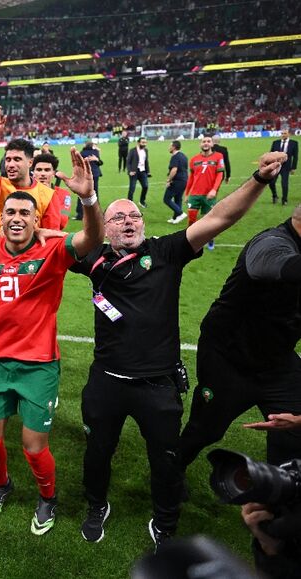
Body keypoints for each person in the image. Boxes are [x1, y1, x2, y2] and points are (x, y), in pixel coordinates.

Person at [71, 152, 286, 550]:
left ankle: (165, 522)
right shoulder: (94, 259)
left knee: (166, 461)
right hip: (107, 382)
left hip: (158, 385)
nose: (129, 222)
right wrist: (88, 202)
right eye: (118, 218)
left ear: (144, 222)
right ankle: (96, 505)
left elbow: (219, 218)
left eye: (134, 216)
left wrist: (257, 179)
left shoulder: (167, 251)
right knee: (97, 453)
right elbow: (51, 241)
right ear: (106, 228)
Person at [0, 148, 102, 536]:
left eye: (25, 213)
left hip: (38, 364)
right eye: (10, 212)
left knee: (33, 444)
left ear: (36, 219)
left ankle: (47, 498)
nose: (17, 219)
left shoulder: (53, 251)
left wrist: (88, 199)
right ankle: (2, 486)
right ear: (1, 218)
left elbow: (93, 237)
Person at [179, 185, 299, 470]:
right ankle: (171, 474)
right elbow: (268, 266)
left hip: (278, 361)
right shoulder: (271, 242)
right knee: (206, 429)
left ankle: (280, 492)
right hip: (228, 358)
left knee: (293, 428)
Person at [0, 106, 61, 232]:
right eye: (8, 160)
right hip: (1, 251)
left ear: (30, 162)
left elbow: (51, 237)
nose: (10, 164)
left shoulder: (48, 196)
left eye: (17, 159)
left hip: (32, 252)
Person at [184, 134, 226, 250]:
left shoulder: (218, 157)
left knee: (209, 220)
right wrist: (187, 193)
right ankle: (191, 240)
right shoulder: (194, 159)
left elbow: (220, 175)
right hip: (194, 195)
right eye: (203, 141)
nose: (206, 143)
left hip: (209, 195)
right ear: (200, 144)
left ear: (212, 144)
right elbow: (191, 177)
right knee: (191, 219)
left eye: (208, 141)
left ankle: (210, 239)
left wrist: (214, 190)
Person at [32, 153, 73, 230]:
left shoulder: (64, 195)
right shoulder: (26, 192)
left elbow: (63, 222)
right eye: (39, 170)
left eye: (47, 170)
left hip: (53, 239)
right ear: (33, 173)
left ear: (54, 173)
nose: (43, 174)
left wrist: (49, 194)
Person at [269, 130, 299, 205]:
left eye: (285, 133)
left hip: (286, 167)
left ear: (288, 134)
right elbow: (271, 154)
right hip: (276, 166)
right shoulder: (275, 142)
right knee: (271, 182)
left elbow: (295, 156)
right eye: (282, 133)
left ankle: (284, 200)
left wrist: (293, 168)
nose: (283, 135)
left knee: (284, 184)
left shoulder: (294, 143)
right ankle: (275, 196)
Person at [164, 140, 189, 224]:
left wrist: (169, 180)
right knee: (178, 199)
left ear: (174, 147)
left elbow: (174, 170)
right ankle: (175, 217)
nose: (169, 147)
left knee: (166, 199)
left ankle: (181, 213)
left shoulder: (175, 157)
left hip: (177, 181)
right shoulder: (183, 156)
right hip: (184, 180)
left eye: (170, 146)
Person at [79, 141, 103, 221]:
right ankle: (96, 212)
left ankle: (80, 213)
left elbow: (79, 164)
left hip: (85, 175)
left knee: (83, 193)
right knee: (95, 193)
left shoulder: (82, 153)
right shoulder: (95, 152)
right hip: (95, 174)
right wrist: (96, 159)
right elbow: (100, 163)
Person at [127, 137, 150, 207]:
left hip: (143, 172)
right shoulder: (132, 150)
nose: (144, 144)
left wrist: (148, 171)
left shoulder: (146, 150)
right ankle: (129, 203)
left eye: (145, 142)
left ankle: (142, 201)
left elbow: (146, 161)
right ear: (138, 143)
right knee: (132, 188)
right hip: (134, 172)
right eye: (143, 142)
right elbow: (128, 162)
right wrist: (130, 171)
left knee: (145, 186)